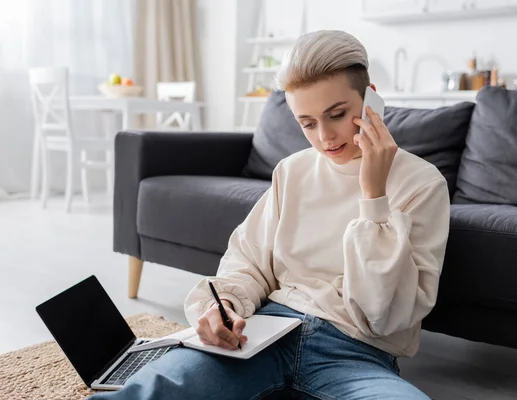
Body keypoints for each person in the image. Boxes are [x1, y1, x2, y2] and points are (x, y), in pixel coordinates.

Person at [91, 30, 450, 400]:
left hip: (356, 355)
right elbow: (247, 261)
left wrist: (373, 196)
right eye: (307, 123)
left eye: (337, 114)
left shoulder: (422, 184)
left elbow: (384, 316)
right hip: (264, 334)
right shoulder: (292, 172)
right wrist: (225, 305)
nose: (325, 137)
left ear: (370, 96)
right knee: (151, 389)